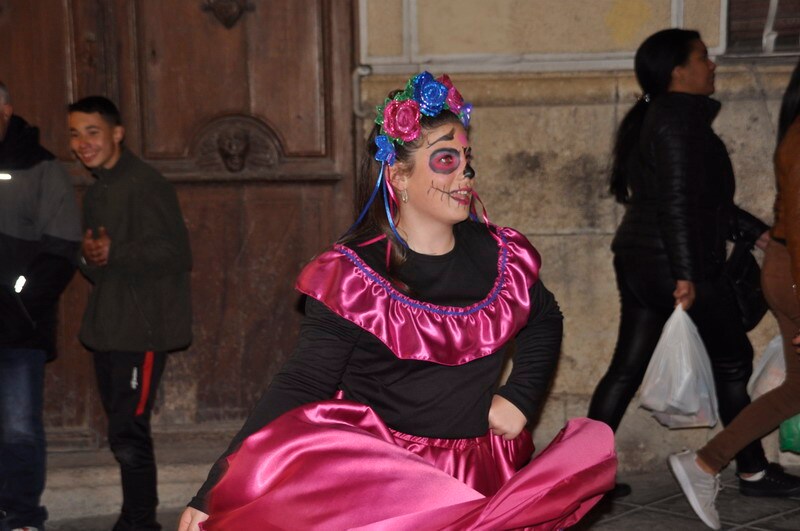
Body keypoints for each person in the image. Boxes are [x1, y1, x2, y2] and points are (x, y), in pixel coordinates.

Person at [178, 72, 616, 531]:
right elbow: (302, 383)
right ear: (399, 176)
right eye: (447, 159)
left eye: (468, 159)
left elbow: (545, 318)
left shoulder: (498, 256)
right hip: (381, 483)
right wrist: (212, 490)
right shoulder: (354, 277)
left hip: (475, 473)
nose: (466, 172)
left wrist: (521, 396)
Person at [586, 28, 800, 508]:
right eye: (704, 57)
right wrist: (686, 276)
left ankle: (582, 478)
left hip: (640, 258)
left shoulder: (658, 117)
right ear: (678, 71)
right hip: (675, 263)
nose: (713, 65)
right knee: (732, 360)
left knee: (625, 367)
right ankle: (751, 468)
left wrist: (755, 231)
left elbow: (703, 202)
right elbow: (681, 205)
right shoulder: (680, 121)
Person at [668, 57, 800, 529]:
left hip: (787, 266)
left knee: (794, 391)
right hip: (794, 271)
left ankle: (705, 462)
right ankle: (707, 461)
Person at [69, 96, 192, 531]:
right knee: (122, 433)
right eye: (75, 133)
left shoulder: (145, 183)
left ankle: (140, 522)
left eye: (92, 131)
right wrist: (89, 256)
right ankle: (135, 519)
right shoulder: (99, 188)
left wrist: (115, 252)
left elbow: (175, 252)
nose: (82, 143)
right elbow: (94, 261)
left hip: (142, 331)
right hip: (109, 328)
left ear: (116, 133)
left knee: (129, 432)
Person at [0, 81, 81, 531]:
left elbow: (62, 246)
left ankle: (21, 517)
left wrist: (17, 297)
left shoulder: (41, 168)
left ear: (6, 110)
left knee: (17, 429)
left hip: (17, 326)